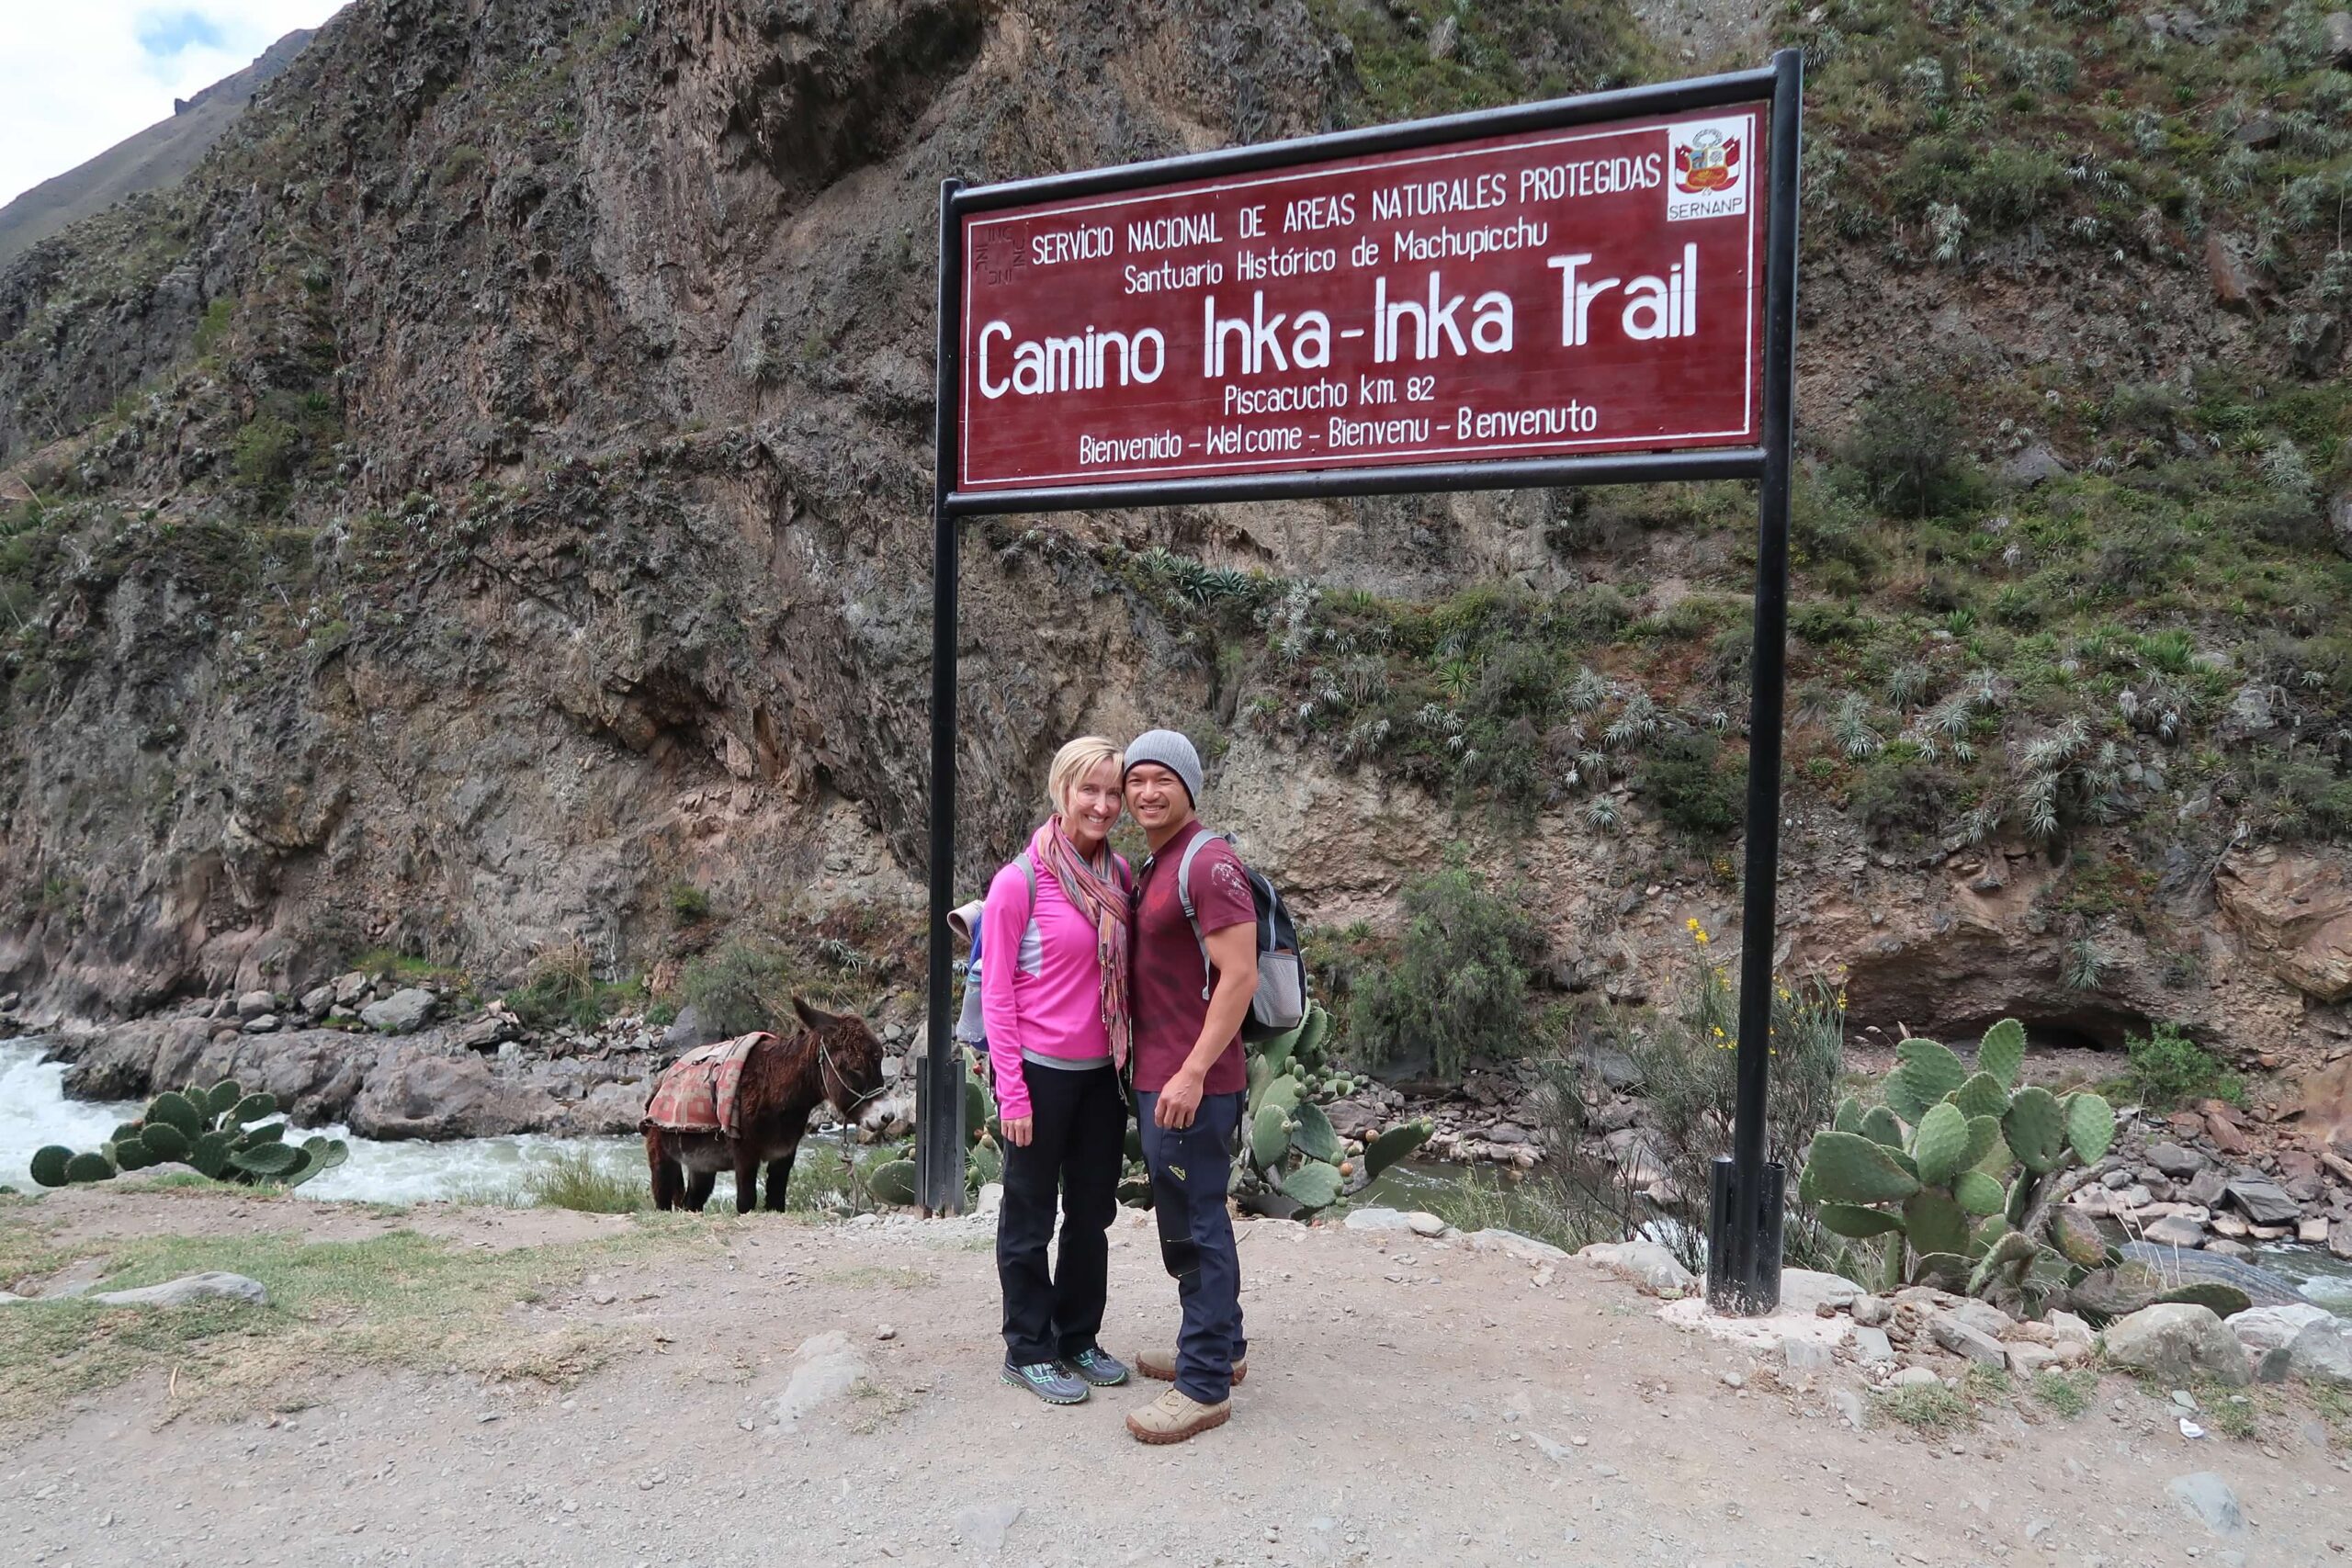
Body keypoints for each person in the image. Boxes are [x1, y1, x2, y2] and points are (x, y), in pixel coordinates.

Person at [982, 735, 1135, 1405]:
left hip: (1103, 1074)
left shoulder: (1122, 877)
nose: (1102, 804)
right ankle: (1028, 1346)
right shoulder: (1019, 881)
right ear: (1062, 792)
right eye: (1089, 789)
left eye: (1112, 792)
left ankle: (1077, 1336)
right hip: (1040, 1076)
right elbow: (997, 994)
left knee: (1091, 1214)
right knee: (1029, 1216)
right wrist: (1010, 1090)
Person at [1121, 728, 1258, 1444]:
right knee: (1185, 1219)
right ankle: (1221, 1346)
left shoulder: (1208, 864)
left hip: (1192, 1080)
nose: (1146, 791)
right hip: (1163, 1075)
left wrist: (1194, 1071)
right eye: (1135, 779)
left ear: (1188, 787)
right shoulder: (1161, 862)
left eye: (1161, 779)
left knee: (1198, 1224)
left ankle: (1202, 1384)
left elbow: (1239, 975)